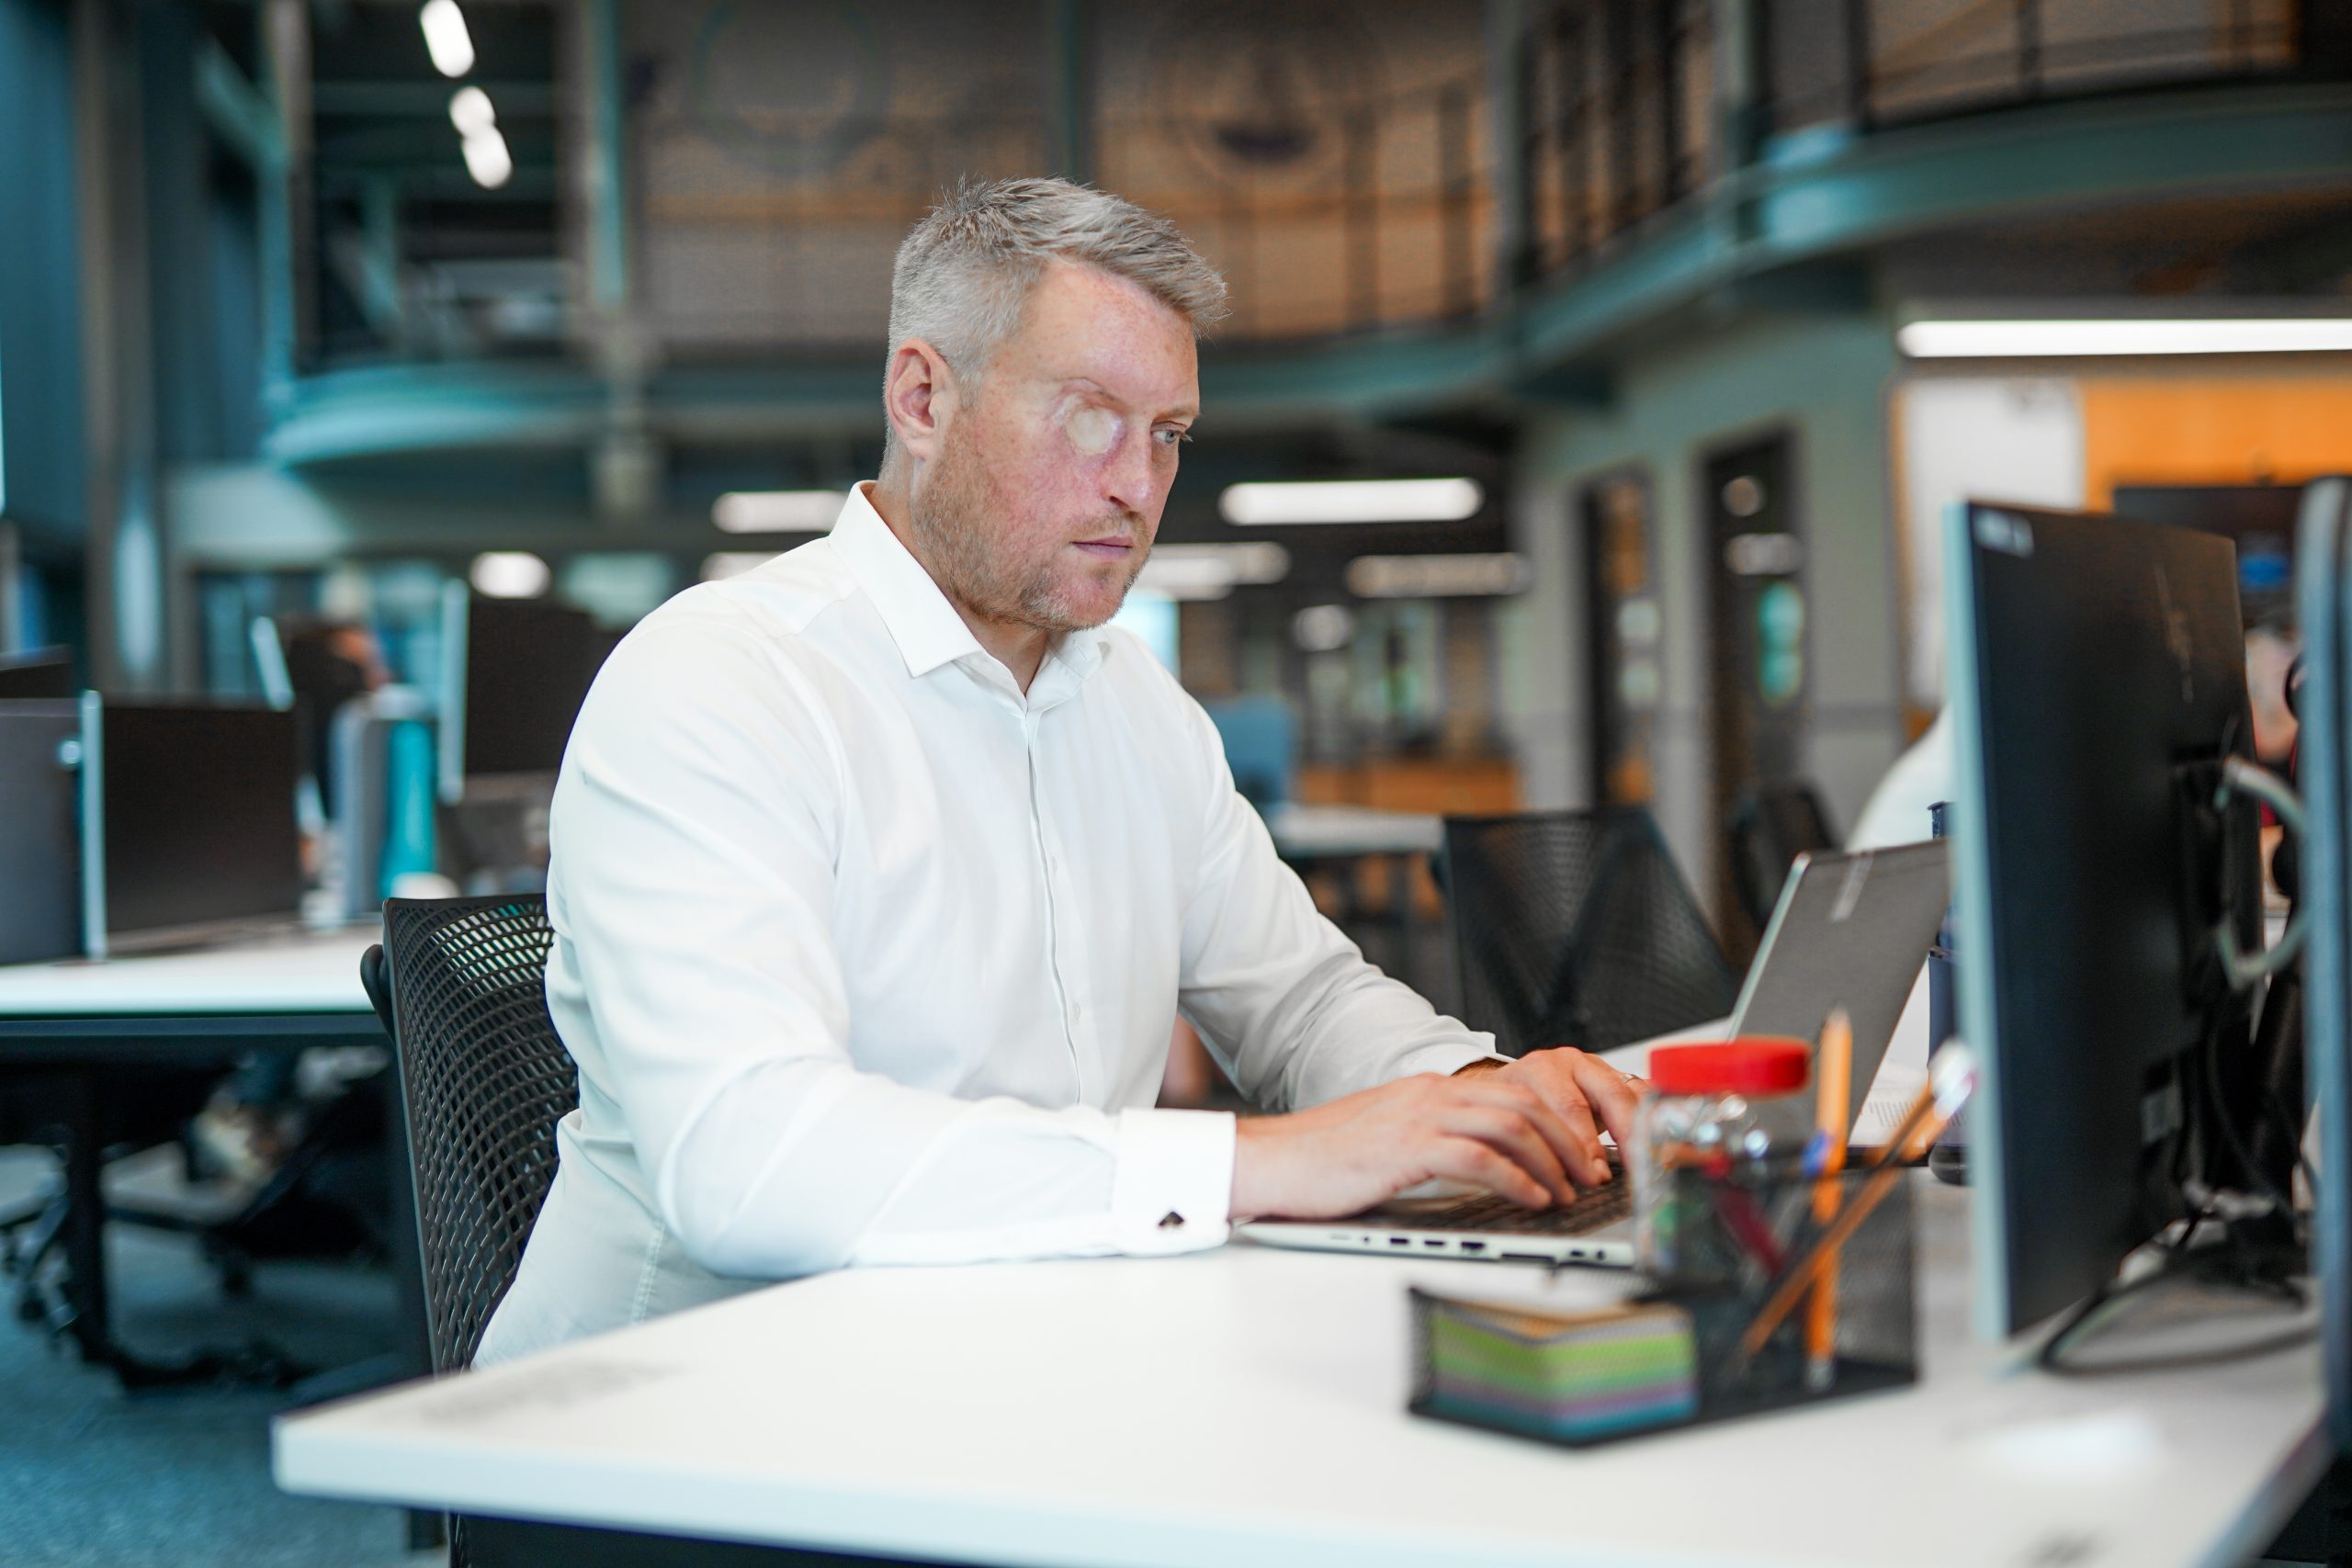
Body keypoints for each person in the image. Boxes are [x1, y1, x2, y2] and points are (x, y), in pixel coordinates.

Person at [475, 179, 1641, 1365]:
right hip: (684, 1437)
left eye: (1169, 434)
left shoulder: (1133, 706)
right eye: (1090, 416)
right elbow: (748, 1160)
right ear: (923, 397)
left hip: (1031, 1362)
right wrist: (1267, 1162)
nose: (1139, 487)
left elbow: (1303, 1002)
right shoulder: (719, 682)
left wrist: (1480, 1101)